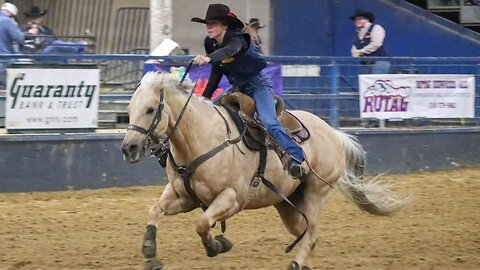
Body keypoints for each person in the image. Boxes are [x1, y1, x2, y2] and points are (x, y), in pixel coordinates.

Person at [191, 4, 307, 179]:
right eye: (207, 23)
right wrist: (205, 98)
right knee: (207, 117)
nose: (208, 27)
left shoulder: (238, 38)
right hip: (237, 87)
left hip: (258, 85)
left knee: (269, 122)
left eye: (213, 23)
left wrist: (209, 58)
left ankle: (295, 157)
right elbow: (216, 72)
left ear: (224, 26)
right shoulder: (210, 42)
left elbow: (229, 51)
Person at [21, 6, 86, 54]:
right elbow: (18, 38)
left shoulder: (46, 30)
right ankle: (80, 46)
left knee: (59, 47)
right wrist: (30, 33)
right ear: (29, 19)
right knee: (56, 44)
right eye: (33, 17)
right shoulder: (23, 29)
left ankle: (79, 48)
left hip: (46, 52)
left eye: (38, 17)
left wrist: (41, 36)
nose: (35, 20)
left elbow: (52, 41)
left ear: (41, 18)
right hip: (35, 54)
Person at [350, 9, 390, 74]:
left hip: (378, 62)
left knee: (375, 81)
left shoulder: (376, 27)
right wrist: (356, 54)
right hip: (365, 64)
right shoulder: (357, 33)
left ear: (367, 19)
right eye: (356, 19)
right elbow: (354, 48)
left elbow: (376, 43)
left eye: (360, 19)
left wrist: (361, 51)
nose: (357, 21)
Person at [0, 2, 24, 88]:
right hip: (3, 58)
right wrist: (15, 26)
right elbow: (19, 38)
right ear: (11, 14)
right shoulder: (7, 21)